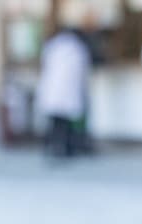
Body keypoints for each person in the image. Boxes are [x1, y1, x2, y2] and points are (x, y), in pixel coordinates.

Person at [36, 23, 91, 158]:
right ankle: (63, 149)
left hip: (55, 90)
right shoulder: (78, 48)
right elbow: (83, 70)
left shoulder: (53, 45)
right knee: (64, 124)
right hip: (67, 91)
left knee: (55, 122)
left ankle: (53, 148)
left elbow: (43, 64)